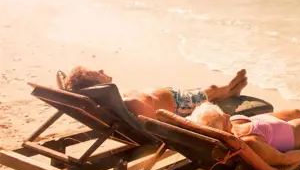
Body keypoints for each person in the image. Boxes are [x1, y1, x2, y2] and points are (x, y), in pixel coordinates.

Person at [187, 96, 300, 166]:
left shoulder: (233, 124)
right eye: (224, 117)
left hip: (271, 124)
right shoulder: (247, 141)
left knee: (296, 112)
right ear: (223, 124)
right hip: (292, 135)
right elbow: (281, 158)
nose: (227, 114)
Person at [60, 65, 250, 119]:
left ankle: (231, 90)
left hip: (174, 96)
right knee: (212, 90)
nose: (102, 70)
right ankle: (231, 90)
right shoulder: (129, 103)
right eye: (97, 73)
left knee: (203, 90)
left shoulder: (113, 98)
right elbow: (157, 123)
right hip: (180, 105)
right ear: (96, 85)